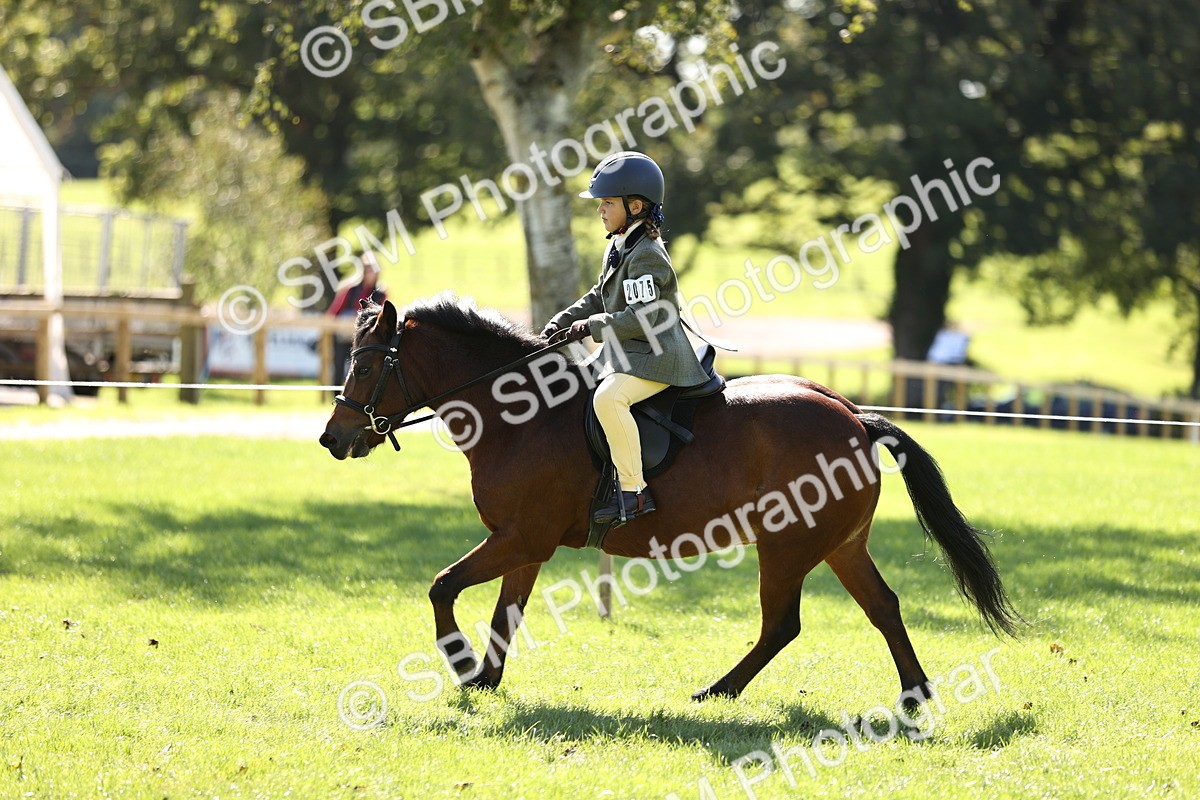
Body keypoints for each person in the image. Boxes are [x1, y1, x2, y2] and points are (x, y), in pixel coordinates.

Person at [542, 151, 708, 526]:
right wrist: (561, 321)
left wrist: (592, 326)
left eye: (607, 203)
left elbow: (644, 318)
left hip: (658, 356)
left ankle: (634, 493)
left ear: (635, 207)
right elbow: (599, 294)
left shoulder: (647, 254)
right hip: (629, 353)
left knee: (609, 398)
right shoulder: (620, 245)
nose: (600, 210)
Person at [327, 251, 385, 385]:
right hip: (343, 336)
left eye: (373, 269)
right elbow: (334, 312)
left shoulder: (381, 293)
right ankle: (336, 393)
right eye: (368, 269)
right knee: (338, 367)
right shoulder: (351, 289)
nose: (371, 273)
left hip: (365, 338)